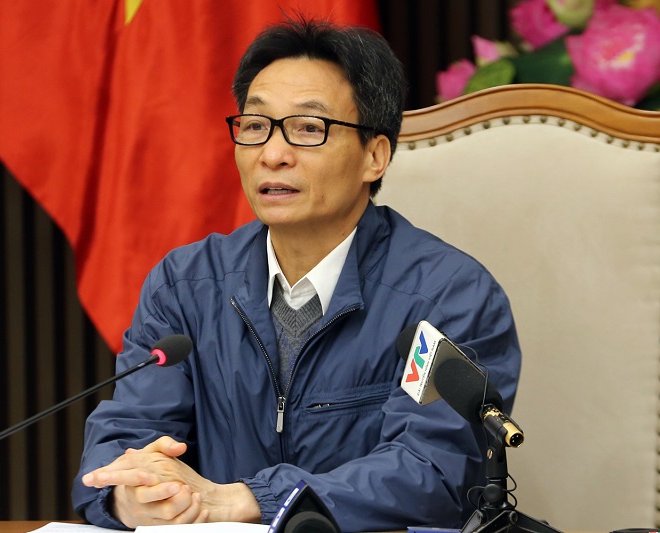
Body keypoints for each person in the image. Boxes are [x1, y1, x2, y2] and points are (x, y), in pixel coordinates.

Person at [72, 17, 521, 532]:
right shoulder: (184, 286)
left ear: (375, 156)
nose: (273, 155)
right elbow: (128, 433)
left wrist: (250, 499)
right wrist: (129, 495)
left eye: (309, 129)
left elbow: (432, 472)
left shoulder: (448, 297)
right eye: (255, 127)